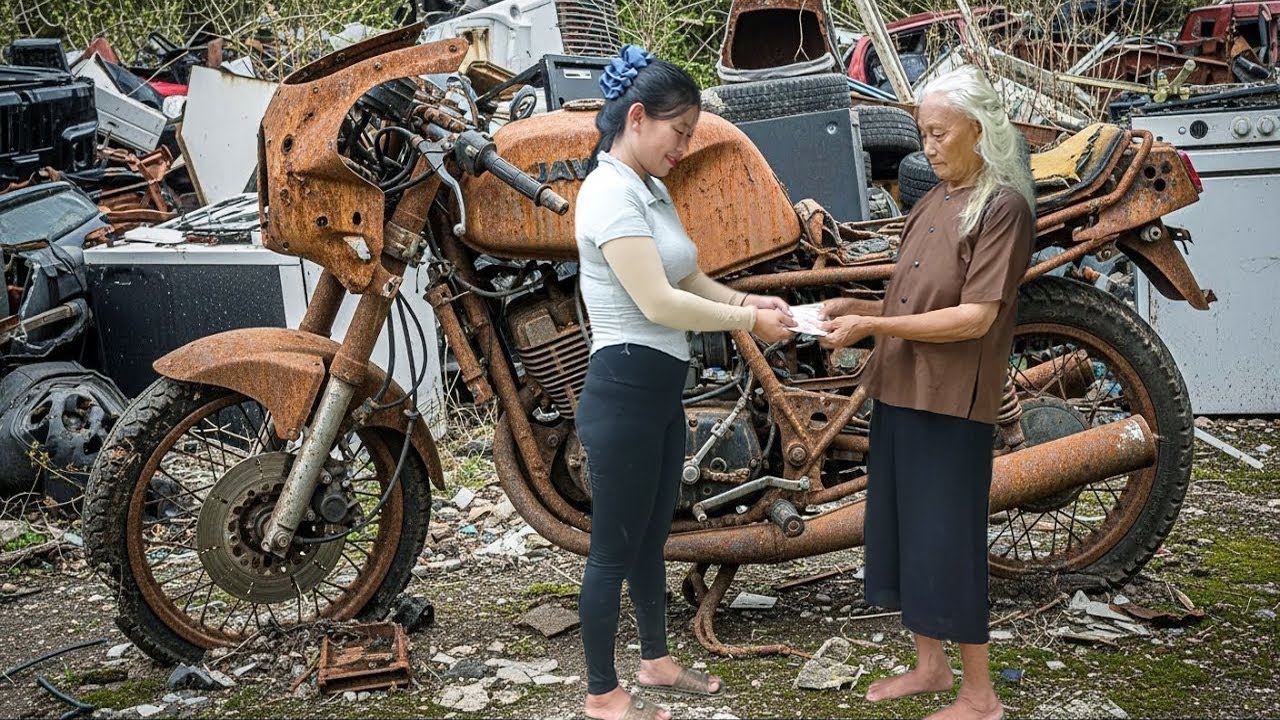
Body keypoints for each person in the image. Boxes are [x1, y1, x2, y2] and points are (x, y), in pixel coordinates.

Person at [573, 45, 796, 720]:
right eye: (680, 132)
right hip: (624, 389)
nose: (684, 146)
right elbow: (657, 304)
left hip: (661, 392)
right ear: (637, 118)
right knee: (613, 548)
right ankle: (603, 695)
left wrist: (756, 307)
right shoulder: (608, 194)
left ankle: (657, 660)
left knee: (650, 537)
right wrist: (745, 323)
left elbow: (688, 279)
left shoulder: (650, 188)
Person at [819, 65, 1036, 720]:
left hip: (952, 400)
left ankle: (981, 696)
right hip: (903, 386)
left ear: (976, 129)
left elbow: (975, 317)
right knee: (908, 532)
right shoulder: (934, 199)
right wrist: (852, 306)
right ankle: (930, 667)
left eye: (940, 133)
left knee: (949, 540)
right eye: (923, 134)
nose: (929, 147)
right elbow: (909, 295)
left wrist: (874, 324)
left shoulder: (1002, 207)